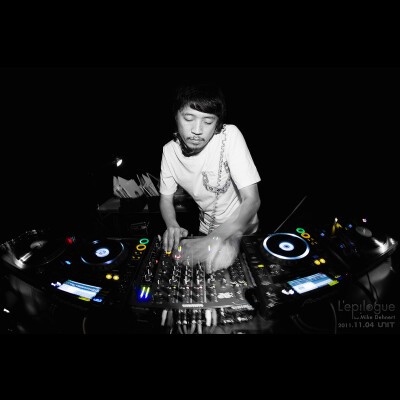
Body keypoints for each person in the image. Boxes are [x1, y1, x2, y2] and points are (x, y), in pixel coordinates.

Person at [159, 82, 261, 273]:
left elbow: (252, 200)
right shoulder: (169, 151)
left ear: (217, 124)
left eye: (207, 122)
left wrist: (217, 239)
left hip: (242, 227)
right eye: (188, 118)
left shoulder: (229, 135)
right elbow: (165, 199)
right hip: (206, 229)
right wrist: (172, 225)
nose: (197, 130)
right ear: (176, 116)